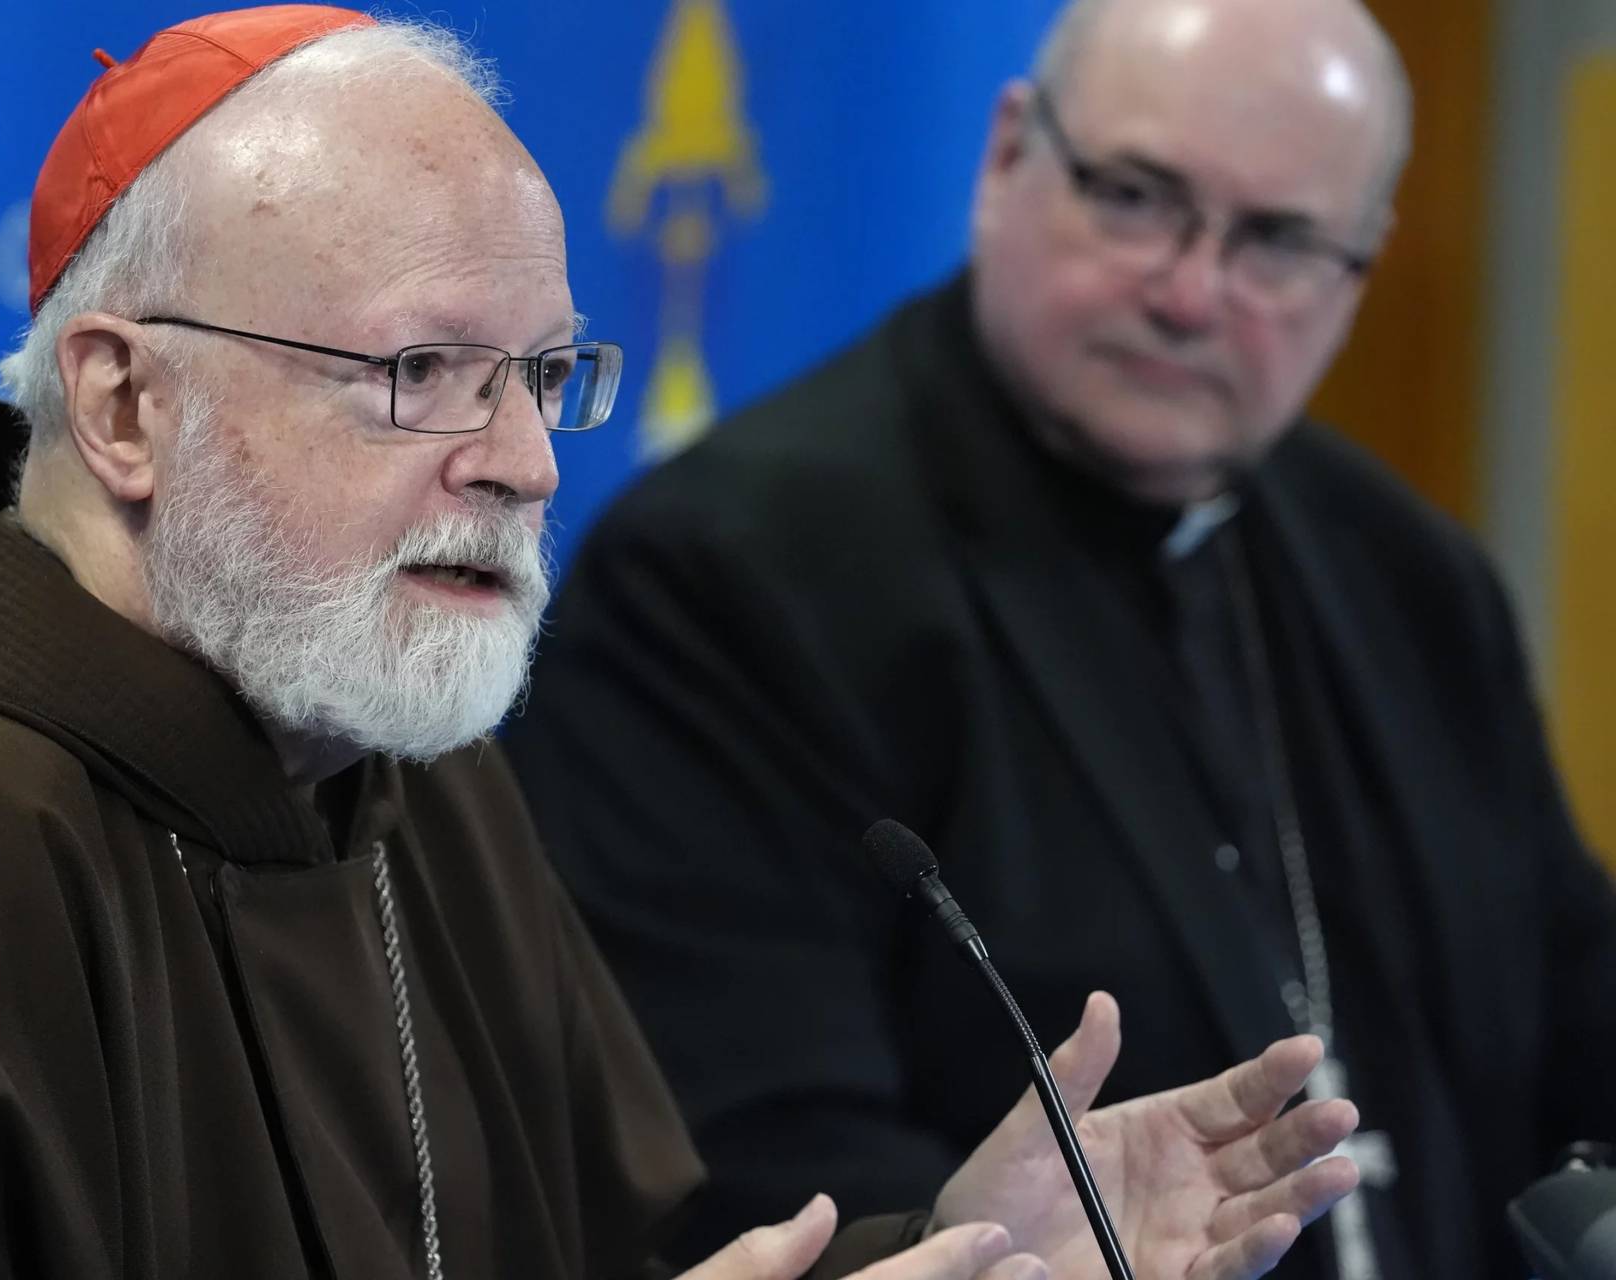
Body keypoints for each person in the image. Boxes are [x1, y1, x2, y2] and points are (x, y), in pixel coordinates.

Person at [0, 6, 1359, 1279]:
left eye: (543, 376)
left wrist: (956, 1245)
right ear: (128, 404)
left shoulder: (405, 762)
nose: (526, 463)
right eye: (419, 373)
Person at [506, 0, 1616, 1276]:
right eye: (1138, 197)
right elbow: (755, 1174)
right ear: (1010, 152)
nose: (1193, 292)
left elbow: (1576, 1025)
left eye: (1279, 242)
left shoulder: (1413, 579)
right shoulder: (725, 580)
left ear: (1362, 264)